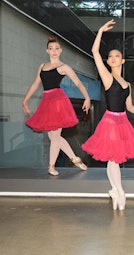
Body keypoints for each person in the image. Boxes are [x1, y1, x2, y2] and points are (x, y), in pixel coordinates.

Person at [82, 19, 134, 211]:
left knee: (113, 159)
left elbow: (130, 107)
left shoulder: (127, 84)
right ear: (108, 61)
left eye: (117, 56)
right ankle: (120, 191)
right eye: (110, 56)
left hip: (123, 122)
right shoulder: (107, 77)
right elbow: (94, 52)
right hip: (110, 121)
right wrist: (100, 32)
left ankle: (115, 190)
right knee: (113, 159)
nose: (113, 58)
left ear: (122, 61)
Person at [22, 36, 91, 176]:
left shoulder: (63, 67)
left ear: (61, 51)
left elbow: (77, 83)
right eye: (51, 48)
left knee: (55, 136)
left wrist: (87, 98)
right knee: (53, 137)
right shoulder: (42, 66)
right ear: (47, 51)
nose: (54, 51)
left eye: (57, 48)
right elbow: (36, 83)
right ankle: (74, 159)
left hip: (58, 101)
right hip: (46, 101)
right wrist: (25, 100)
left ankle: (52, 166)